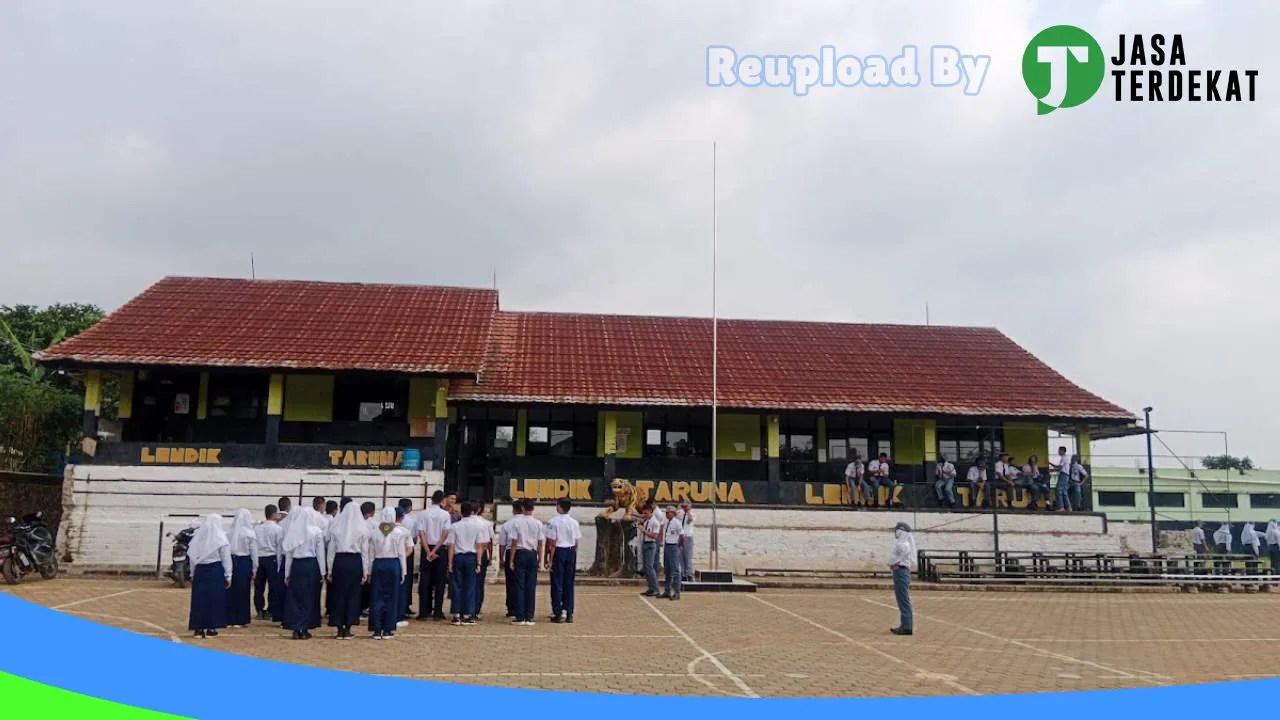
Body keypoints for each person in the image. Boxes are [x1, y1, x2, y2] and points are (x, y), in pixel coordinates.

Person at [326, 502, 371, 639]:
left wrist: (329, 570)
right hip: (355, 562)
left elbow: (331, 552)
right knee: (353, 595)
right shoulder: (362, 529)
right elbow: (365, 553)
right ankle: (349, 627)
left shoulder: (336, 527)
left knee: (338, 595)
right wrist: (365, 571)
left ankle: (339, 628)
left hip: (339, 562)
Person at [283, 508, 327, 640]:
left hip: (297, 566)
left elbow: (289, 555)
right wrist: (322, 572)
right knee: (309, 596)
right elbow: (320, 554)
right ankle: (304, 627)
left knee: (296, 597)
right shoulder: (317, 532)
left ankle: (296, 628)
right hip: (311, 565)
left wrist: (287, 573)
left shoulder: (293, 533)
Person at [187, 514, 232, 639]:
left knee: (199, 600)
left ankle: (198, 628)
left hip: (200, 570)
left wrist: (192, 573)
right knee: (214, 599)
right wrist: (228, 575)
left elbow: (192, 556)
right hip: (215, 570)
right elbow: (226, 558)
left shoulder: (198, 537)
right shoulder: (221, 538)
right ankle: (212, 627)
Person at [367, 507, 409, 639]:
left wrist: (368, 572)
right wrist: (404, 571)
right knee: (391, 597)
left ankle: (376, 629)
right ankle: (387, 629)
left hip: (378, 564)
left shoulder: (374, 532)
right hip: (393, 564)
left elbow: (370, 555)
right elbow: (402, 554)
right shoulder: (398, 533)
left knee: (376, 596)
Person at [447, 501, 491, 626]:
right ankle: (468, 614)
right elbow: (479, 546)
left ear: (461, 512)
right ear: (472, 512)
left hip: (458, 557)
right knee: (470, 586)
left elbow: (451, 546)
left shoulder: (455, 526)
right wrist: (478, 562)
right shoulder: (478, 527)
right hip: (471, 557)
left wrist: (449, 563)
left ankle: (456, 614)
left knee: (456, 586)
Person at [508, 499, 544, 626]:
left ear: (522, 508)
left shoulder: (516, 523)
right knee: (531, 586)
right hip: (532, 554)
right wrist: (541, 559)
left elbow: (513, 543)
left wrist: (511, 560)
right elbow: (540, 544)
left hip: (520, 553)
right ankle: (529, 616)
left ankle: (520, 616)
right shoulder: (538, 523)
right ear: (533, 508)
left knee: (519, 586)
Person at [545, 498, 582, 622]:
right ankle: (569, 612)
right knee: (569, 582)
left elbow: (552, 543)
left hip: (559, 551)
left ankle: (558, 613)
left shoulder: (553, 522)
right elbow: (577, 542)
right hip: (570, 551)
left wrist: (549, 559)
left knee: (557, 583)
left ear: (559, 507)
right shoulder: (574, 522)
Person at [417, 490, 451, 621]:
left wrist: (428, 551)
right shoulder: (445, 514)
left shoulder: (423, 513)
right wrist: (435, 551)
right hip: (440, 549)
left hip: (427, 548)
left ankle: (424, 611)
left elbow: (421, 533)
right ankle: (438, 611)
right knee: (440, 581)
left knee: (425, 581)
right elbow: (445, 534)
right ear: (442, 500)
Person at [225, 508, 257, 628]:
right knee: (243, 590)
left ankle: (229, 618)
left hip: (231, 561)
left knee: (231, 590)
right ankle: (240, 618)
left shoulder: (229, 533)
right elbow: (254, 552)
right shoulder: (250, 533)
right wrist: (255, 568)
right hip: (244, 562)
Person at [254, 504, 283, 622]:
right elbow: (279, 548)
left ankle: (259, 609)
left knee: (259, 587)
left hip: (259, 558)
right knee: (273, 586)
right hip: (272, 558)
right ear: (274, 514)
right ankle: (271, 610)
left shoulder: (257, 528)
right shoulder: (278, 529)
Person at [888, 521, 917, 636]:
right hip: (900, 570)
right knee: (902, 598)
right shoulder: (903, 542)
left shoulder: (903, 544)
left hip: (901, 570)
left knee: (903, 598)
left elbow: (902, 555)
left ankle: (906, 626)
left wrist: (895, 563)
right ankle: (905, 625)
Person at [497, 500, 521, 619]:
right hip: (525, 553)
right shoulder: (533, 522)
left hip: (509, 552)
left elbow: (502, 544)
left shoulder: (507, 524)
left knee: (510, 582)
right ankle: (521, 607)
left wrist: (501, 559)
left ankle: (511, 608)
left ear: (513, 509)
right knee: (522, 582)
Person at [397, 498, 417, 621]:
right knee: (407, 579)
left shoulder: (388, 522)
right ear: (409, 508)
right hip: (407, 552)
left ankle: (401, 606)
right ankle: (405, 606)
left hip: (393, 553)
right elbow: (414, 538)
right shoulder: (410, 521)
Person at [658, 506, 683, 601]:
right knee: (667, 569)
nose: (666, 514)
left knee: (675, 570)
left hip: (673, 546)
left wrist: (678, 546)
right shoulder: (668, 522)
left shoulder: (677, 522)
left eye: (668, 512)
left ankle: (677, 592)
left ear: (673, 513)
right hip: (667, 545)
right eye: (666, 512)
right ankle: (667, 590)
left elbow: (682, 535)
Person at [640, 504, 661, 596]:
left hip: (650, 544)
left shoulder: (655, 522)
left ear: (651, 512)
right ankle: (650, 588)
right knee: (646, 568)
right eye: (643, 513)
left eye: (646, 513)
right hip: (645, 543)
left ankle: (655, 588)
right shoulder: (646, 521)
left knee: (649, 567)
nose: (644, 514)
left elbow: (654, 536)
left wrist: (644, 531)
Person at [1050, 446, 1071, 511]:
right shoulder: (1066, 457)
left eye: (1059, 450)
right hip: (1066, 475)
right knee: (1064, 492)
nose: (1058, 452)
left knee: (1058, 490)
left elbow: (1059, 467)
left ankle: (1061, 507)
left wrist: (1050, 464)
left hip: (1063, 475)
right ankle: (1068, 507)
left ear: (1062, 451)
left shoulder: (1064, 458)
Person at [679, 500, 695, 582]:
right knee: (680, 556)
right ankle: (683, 574)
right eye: (683, 506)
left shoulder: (692, 513)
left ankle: (689, 574)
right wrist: (679, 508)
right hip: (681, 536)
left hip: (688, 537)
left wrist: (688, 511)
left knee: (688, 556)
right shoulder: (680, 513)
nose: (684, 508)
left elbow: (690, 519)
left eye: (686, 506)